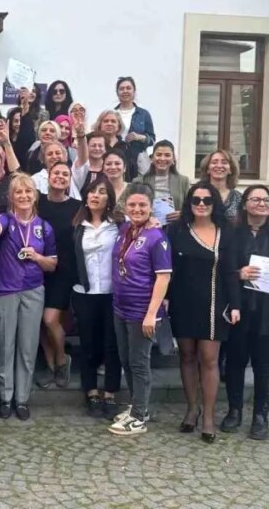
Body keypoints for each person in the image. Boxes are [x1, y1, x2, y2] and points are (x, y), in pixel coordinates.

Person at [221, 185, 269, 440]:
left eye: (266, 200)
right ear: (244, 204)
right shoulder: (230, 232)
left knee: (264, 364)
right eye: (255, 199)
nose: (261, 203)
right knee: (235, 362)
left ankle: (260, 416)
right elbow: (221, 269)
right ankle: (234, 411)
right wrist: (239, 274)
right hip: (238, 308)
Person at [166, 181, 241, 443]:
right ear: (189, 203)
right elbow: (167, 268)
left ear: (214, 204)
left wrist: (236, 304)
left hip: (214, 303)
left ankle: (208, 415)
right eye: (196, 200)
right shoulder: (176, 230)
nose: (201, 204)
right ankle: (192, 408)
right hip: (182, 301)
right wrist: (165, 298)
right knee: (187, 356)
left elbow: (231, 270)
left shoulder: (226, 232)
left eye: (207, 200)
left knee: (209, 358)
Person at [0, 173, 58, 421]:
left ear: (35, 196)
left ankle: (22, 399)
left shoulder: (44, 227)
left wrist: (36, 256)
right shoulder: (5, 219)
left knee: (27, 346)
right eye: (18, 192)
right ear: (11, 197)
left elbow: (52, 264)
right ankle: (5, 397)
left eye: (28, 191)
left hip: (33, 290)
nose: (23, 196)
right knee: (4, 345)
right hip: (5, 289)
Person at [108, 183, 172, 436]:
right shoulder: (126, 230)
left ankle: (138, 417)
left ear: (151, 206)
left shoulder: (157, 237)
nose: (137, 209)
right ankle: (138, 406)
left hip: (142, 311)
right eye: (132, 204)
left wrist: (151, 314)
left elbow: (163, 277)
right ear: (125, 206)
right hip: (120, 307)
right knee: (126, 359)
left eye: (142, 205)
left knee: (139, 363)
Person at [71, 175, 123, 419]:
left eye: (102, 192)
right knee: (88, 343)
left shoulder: (119, 225)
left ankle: (110, 392)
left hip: (112, 292)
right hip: (85, 292)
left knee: (112, 344)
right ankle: (90, 390)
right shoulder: (76, 226)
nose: (95, 196)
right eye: (92, 191)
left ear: (109, 198)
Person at [36, 162, 81, 389]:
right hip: (36, 268)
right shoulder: (38, 202)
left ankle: (63, 360)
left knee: (50, 319)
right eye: (56, 173)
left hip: (64, 271)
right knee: (40, 323)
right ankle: (51, 366)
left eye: (65, 174)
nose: (60, 177)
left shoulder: (77, 206)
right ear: (48, 176)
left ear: (70, 179)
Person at [131, 140, 189, 224]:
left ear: (173, 159)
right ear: (152, 158)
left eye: (167, 155)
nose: (162, 158)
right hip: (146, 227)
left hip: (175, 227)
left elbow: (191, 207)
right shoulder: (139, 181)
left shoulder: (183, 181)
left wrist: (183, 214)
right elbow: (130, 207)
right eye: (158, 155)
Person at [114, 77, 155, 178]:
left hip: (138, 158)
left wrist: (139, 137)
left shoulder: (143, 114)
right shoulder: (112, 114)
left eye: (128, 88)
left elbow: (152, 140)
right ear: (117, 92)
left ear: (134, 91)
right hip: (117, 157)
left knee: (141, 184)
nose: (125, 91)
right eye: (121, 88)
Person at [198, 149, 243, 223]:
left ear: (230, 170)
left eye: (224, 162)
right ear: (207, 169)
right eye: (214, 162)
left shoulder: (239, 198)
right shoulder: (197, 195)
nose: (219, 166)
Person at [74, 131, 109, 195]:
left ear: (105, 149)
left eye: (100, 146)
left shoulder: (109, 169)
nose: (97, 148)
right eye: (93, 146)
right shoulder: (79, 167)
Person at [103, 150, 129, 215]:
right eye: (108, 164)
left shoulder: (134, 190)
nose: (113, 167)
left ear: (125, 168)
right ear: (103, 169)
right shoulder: (98, 190)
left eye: (117, 163)